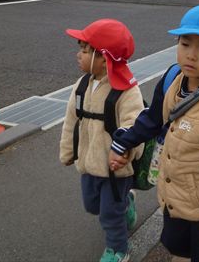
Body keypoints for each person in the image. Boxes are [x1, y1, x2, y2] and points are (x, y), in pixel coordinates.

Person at [109, 4, 199, 262]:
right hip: (174, 195)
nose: (191, 55)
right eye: (185, 44)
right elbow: (152, 119)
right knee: (177, 245)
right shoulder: (172, 78)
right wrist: (124, 142)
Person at [59, 19, 145, 262]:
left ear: (104, 57)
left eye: (85, 50)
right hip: (88, 163)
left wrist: (126, 152)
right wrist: (68, 151)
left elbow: (135, 125)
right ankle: (127, 202)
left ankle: (118, 250)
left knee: (109, 214)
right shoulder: (81, 85)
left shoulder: (126, 90)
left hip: (115, 168)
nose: (78, 55)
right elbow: (71, 121)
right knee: (92, 206)